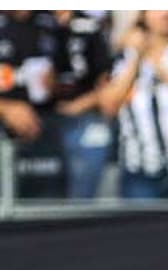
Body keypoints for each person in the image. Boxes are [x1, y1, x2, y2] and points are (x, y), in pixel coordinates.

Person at [99, 10, 168, 200]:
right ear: (144, 14)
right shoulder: (124, 56)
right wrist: (135, 60)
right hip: (141, 171)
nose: (167, 13)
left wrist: (149, 51)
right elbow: (110, 104)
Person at [0, 10, 63, 198]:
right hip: (5, 135)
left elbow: (72, 76)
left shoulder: (48, 21)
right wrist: (5, 108)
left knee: (44, 212)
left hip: (43, 131)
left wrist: (56, 83)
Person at [51, 10, 114, 199]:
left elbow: (107, 79)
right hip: (40, 122)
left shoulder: (88, 25)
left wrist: (79, 105)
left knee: (80, 195)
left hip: (84, 118)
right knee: (42, 192)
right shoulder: (35, 21)